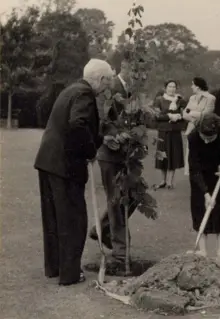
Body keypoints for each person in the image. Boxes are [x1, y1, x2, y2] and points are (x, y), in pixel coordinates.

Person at [34, 58, 114, 285]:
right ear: (100, 79)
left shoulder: (71, 89)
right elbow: (77, 124)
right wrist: (90, 151)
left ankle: (56, 268)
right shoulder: (85, 94)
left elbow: (77, 125)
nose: (106, 88)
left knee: (54, 218)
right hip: (65, 165)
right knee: (73, 219)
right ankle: (69, 274)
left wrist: (99, 139)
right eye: (107, 82)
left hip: (48, 161)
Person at [89, 58, 137, 264]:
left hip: (128, 154)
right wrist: (114, 137)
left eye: (140, 73)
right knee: (117, 200)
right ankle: (120, 252)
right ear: (123, 68)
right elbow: (99, 119)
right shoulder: (108, 87)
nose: (137, 76)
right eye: (134, 70)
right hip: (109, 153)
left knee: (134, 194)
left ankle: (100, 227)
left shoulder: (133, 91)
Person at [188, 113, 220, 260]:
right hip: (200, 173)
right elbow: (194, 168)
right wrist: (205, 193)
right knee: (199, 208)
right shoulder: (193, 137)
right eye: (203, 137)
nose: (205, 141)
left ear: (218, 132)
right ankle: (203, 251)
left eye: (210, 138)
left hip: (219, 172)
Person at [152, 80, 187, 189]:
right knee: (163, 155)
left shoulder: (180, 101)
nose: (172, 89)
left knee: (173, 155)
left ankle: (170, 182)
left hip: (175, 132)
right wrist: (169, 116)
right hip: (163, 132)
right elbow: (157, 116)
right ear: (165, 88)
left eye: (174, 87)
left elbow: (186, 114)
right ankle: (163, 180)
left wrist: (180, 117)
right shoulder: (159, 100)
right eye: (169, 86)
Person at [182, 77, 216, 175]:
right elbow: (184, 114)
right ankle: (194, 177)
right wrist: (195, 116)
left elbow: (206, 115)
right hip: (192, 129)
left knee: (203, 154)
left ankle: (205, 177)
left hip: (204, 130)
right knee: (191, 154)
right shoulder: (192, 98)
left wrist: (191, 113)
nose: (191, 87)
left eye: (193, 84)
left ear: (198, 86)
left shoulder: (211, 98)